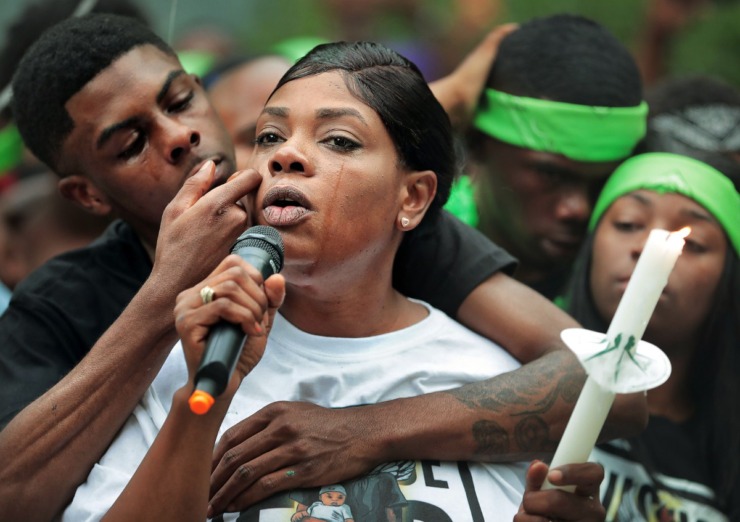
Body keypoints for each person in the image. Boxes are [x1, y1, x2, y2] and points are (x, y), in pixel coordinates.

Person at [0, 14, 640, 521]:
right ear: (88, 196)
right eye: (132, 142)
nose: (180, 136)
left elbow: (621, 383)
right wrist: (168, 293)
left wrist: (365, 431)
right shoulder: (77, 311)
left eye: (183, 100)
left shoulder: (408, 245)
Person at [561, 152, 740, 520]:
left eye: (692, 243)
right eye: (628, 223)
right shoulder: (515, 377)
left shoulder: (727, 450)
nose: (646, 246)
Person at [459, 14, 646, 299]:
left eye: (603, 182)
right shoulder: (402, 246)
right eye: (551, 175)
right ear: (477, 142)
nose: (579, 209)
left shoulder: (628, 292)